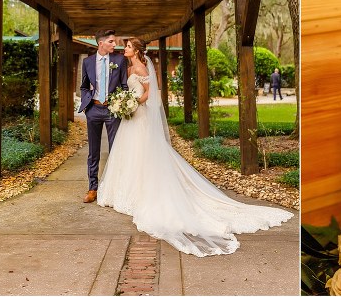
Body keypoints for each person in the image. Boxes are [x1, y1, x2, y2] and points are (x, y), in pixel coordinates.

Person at [97, 38, 293, 256]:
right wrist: (125, 103)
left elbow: (151, 94)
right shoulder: (129, 65)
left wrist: (133, 104)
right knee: (128, 154)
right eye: (125, 46)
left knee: (142, 154)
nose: (125, 49)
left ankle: (140, 191)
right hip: (129, 118)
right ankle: (122, 190)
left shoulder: (141, 66)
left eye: (128, 47)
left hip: (138, 116)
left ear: (136, 50)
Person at [78, 29, 128, 204]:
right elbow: (84, 86)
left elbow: (124, 85)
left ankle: (117, 188)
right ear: (101, 43)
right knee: (93, 152)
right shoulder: (88, 62)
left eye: (115, 42)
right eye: (111, 42)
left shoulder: (120, 60)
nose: (115, 45)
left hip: (112, 110)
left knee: (116, 149)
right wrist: (87, 104)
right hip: (94, 110)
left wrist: (120, 103)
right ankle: (93, 188)